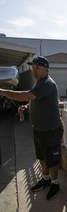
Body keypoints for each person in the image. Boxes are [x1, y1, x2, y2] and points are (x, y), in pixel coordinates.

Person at [0, 56, 63, 200]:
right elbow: (35, 99)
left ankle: (55, 183)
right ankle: (46, 179)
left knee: (52, 160)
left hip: (51, 130)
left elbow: (27, 95)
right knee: (41, 157)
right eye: (33, 67)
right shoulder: (38, 83)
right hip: (39, 129)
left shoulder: (47, 84)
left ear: (46, 69)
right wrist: (27, 106)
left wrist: (3, 92)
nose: (34, 71)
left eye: (38, 68)